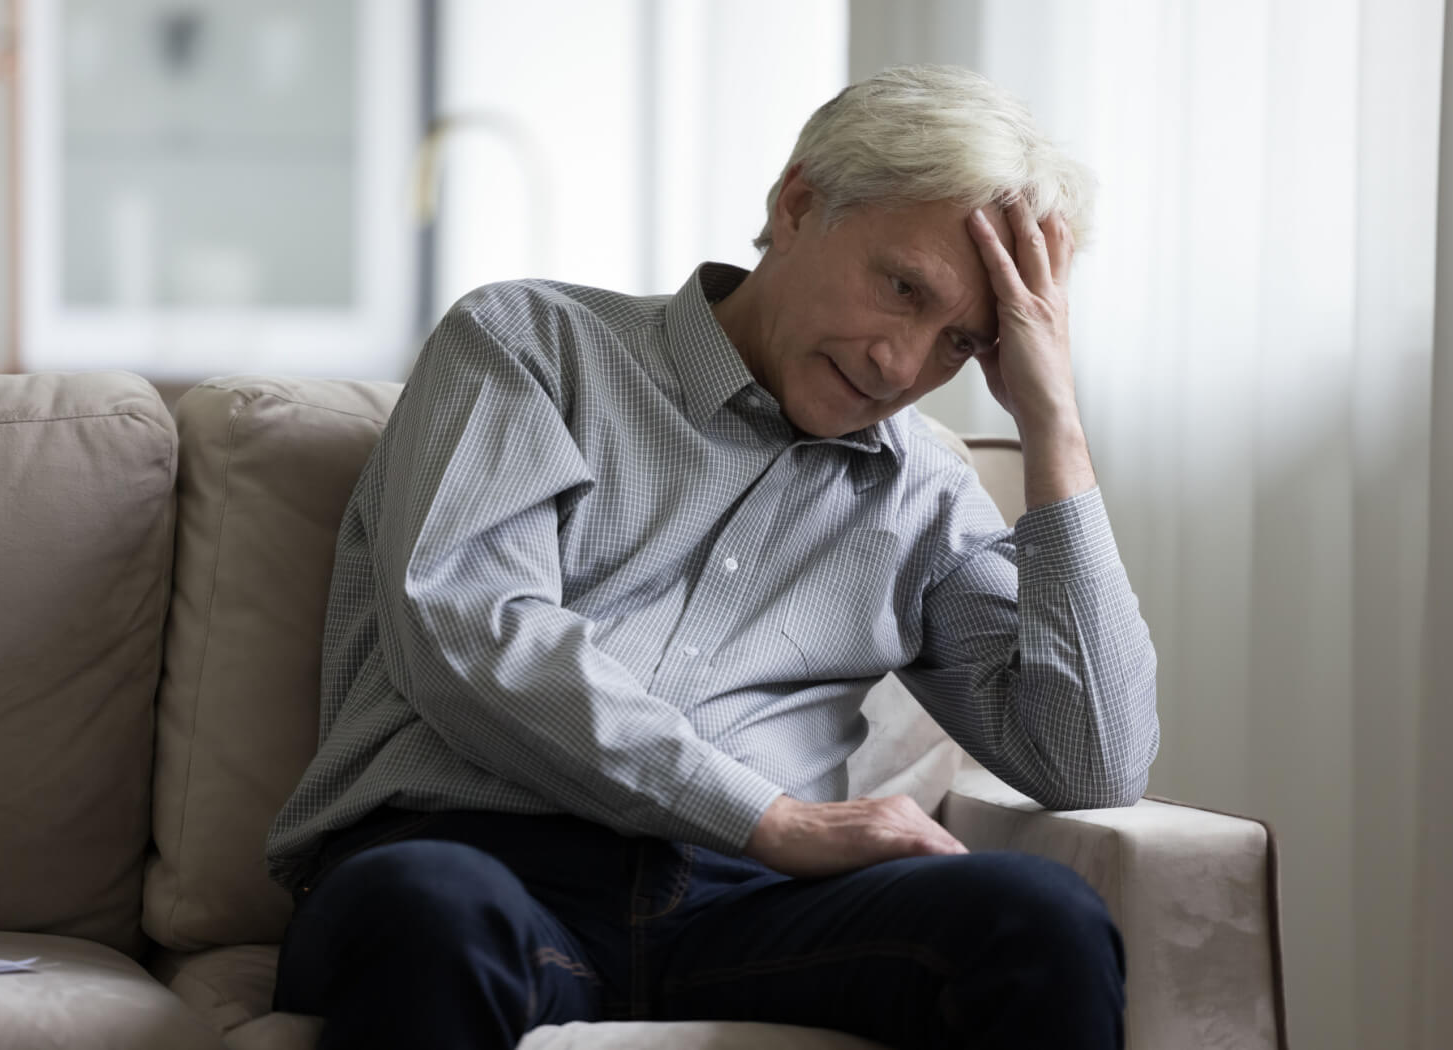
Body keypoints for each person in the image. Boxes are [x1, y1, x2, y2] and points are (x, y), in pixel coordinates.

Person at [266, 64, 1158, 1050]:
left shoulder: (924, 495)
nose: (900, 366)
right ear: (797, 202)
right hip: (473, 862)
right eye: (900, 288)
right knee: (425, 903)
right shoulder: (530, 346)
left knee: (1039, 918)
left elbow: (1090, 762)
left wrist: (1052, 422)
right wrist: (771, 819)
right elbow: (470, 635)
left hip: (749, 915)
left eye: (960, 341)